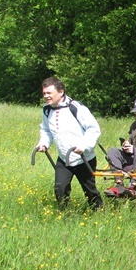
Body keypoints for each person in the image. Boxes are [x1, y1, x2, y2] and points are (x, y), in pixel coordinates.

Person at [36, 76, 103, 210]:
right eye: (44, 93)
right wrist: (43, 143)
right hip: (63, 159)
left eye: (49, 93)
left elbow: (93, 129)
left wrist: (84, 146)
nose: (46, 96)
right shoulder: (47, 109)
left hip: (83, 158)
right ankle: (64, 215)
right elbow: (46, 130)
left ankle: (100, 213)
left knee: (90, 191)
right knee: (60, 188)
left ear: (61, 92)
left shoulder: (76, 107)